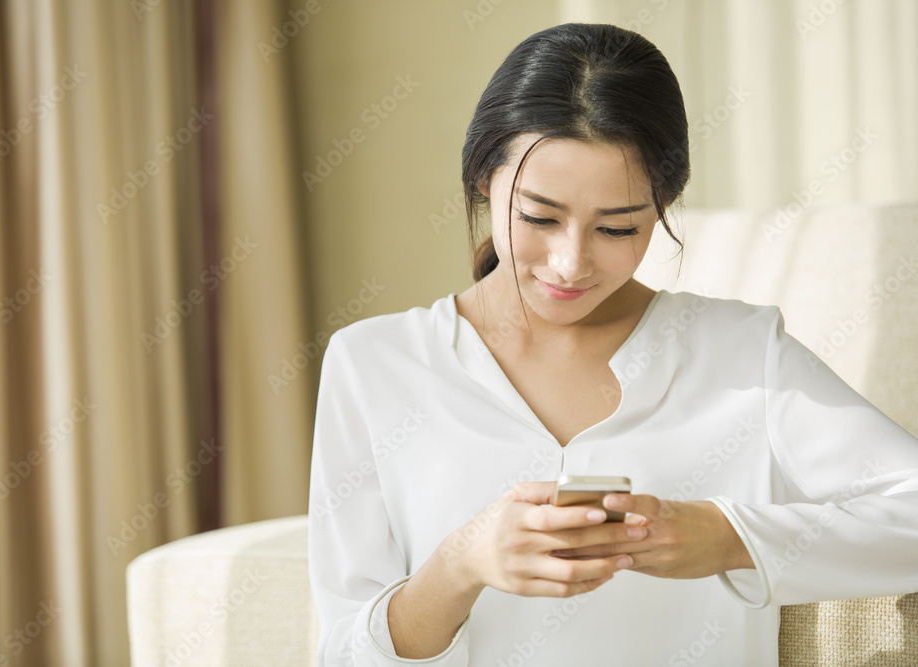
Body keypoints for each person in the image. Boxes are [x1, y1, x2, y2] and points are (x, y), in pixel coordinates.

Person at [307, 22, 918, 666]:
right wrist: (461, 564)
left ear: (665, 205)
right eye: (540, 217)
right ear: (486, 180)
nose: (571, 264)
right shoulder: (374, 364)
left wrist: (729, 537)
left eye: (617, 227)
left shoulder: (742, 352)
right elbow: (346, 653)